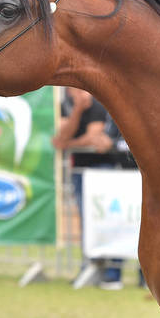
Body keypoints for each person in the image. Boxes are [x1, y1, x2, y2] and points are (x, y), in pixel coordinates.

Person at [52, 87, 124, 289]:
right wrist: (76, 110)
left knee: (108, 220)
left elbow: (93, 138)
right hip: (80, 171)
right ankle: (89, 266)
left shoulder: (98, 105)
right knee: (86, 221)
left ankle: (109, 271)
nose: (75, 92)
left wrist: (68, 143)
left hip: (103, 169)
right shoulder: (66, 106)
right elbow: (61, 137)